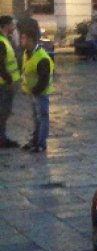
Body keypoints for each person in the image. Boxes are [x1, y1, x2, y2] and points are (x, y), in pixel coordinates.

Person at [18, 20, 53, 153]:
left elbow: (43, 79)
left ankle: (40, 144)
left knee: (42, 118)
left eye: (23, 38)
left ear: (31, 40)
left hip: (40, 93)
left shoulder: (41, 57)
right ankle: (35, 140)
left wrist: (35, 91)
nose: (21, 40)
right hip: (33, 92)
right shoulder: (27, 53)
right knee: (36, 118)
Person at [0, 15, 19, 148]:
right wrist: (9, 81)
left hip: (5, 83)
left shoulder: (6, 39)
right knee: (3, 112)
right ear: (6, 25)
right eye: (12, 24)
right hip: (4, 84)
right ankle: (2, 139)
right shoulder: (1, 42)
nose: (14, 26)